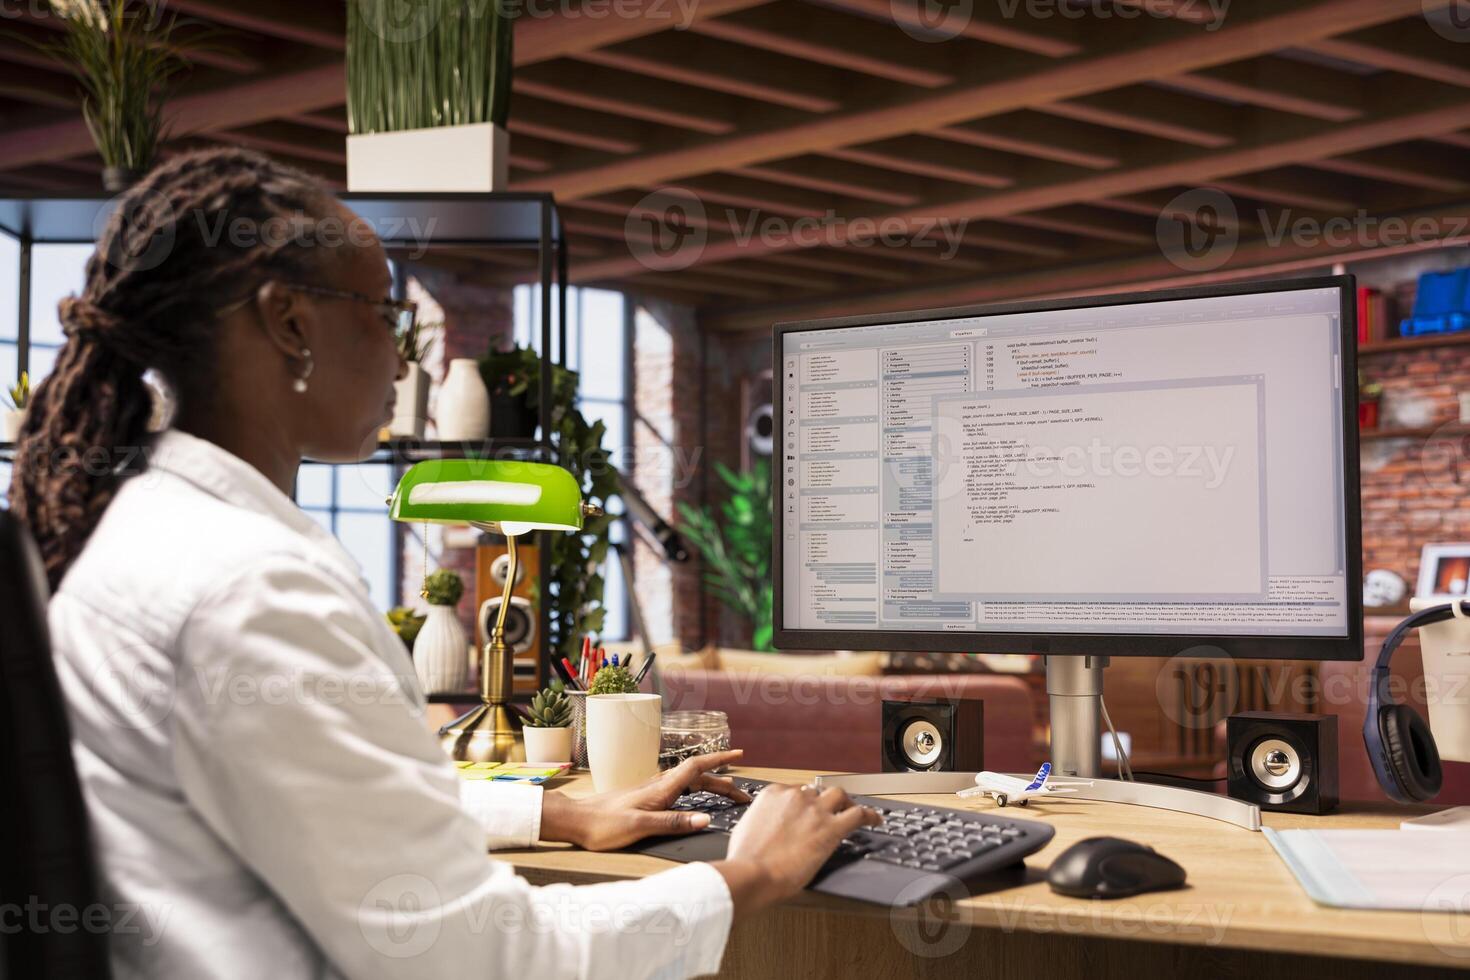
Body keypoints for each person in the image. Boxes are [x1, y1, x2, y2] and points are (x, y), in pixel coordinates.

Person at [8, 148, 877, 979]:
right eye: (383, 314)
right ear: (289, 321)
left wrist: (556, 811)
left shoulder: (142, 529)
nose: (403, 353)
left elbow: (320, 803)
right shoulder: (251, 587)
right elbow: (481, 961)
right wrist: (750, 874)